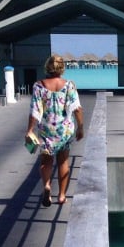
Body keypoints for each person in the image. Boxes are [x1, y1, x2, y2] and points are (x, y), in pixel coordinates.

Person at [26, 54, 85, 207]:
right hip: (64, 130)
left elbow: (34, 111)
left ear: (47, 67)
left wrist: (30, 130)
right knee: (63, 161)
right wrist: (81, 127)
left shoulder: (38, 86)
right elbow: (77, 108)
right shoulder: (69, 85)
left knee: (46, 161)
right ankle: (62, 195)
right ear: (62, 68)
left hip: (46, 130)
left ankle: (47, 186)